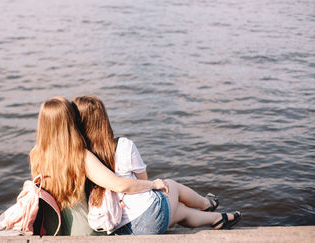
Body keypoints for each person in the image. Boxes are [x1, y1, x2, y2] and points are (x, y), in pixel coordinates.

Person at [72, 96, 241, 235]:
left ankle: (217, 219)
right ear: (103, 119)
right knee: (170, 185)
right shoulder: (123, 145)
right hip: (147, 218)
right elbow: (143, 181)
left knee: (180, 211)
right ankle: (207, 204)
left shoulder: (81, 156)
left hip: (117, 227)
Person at [29, 96, 169, 236]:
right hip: (87, 233)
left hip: (56, 233)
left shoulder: (36, 156)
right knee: (171, 194)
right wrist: (152, 184)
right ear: (69, 122)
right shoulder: (80, 156)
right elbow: (120, 185)